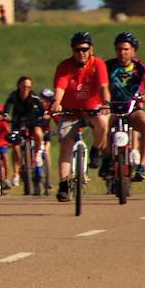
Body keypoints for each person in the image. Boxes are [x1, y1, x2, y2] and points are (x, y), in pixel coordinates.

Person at [50, 31, 111, 203]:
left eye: (84, 49)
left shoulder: (98, 64)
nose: (81, 53)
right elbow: (60, 88)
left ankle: (96, 150)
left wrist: (106, 102)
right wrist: (56, 102)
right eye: (77, 50)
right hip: (70, 110)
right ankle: (63, 184)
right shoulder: (64, 66)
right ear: (73, 50)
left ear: (91, 49)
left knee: (102, 123)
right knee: (66, 145)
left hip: (92, 108)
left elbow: (103, 86)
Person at [107, 31, 145, 182]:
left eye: (126, 49)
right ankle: (107, 158)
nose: (122, 53)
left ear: (133, 50)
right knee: (101, 125)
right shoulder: (108, 66)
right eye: (119, 49)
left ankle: (142, 165)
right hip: (111, 108)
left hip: (132, 108)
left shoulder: (139, 67)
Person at [3, 76, 46, 188]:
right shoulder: (14, 96)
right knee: (16, 147)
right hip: (17, 122)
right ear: (19, 86)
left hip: (32, 121)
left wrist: (44, 115)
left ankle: (36, 154)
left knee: (38, 133)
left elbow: (41, 108)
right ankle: (16, 174)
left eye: (28, 86)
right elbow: (7, 106)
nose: (26, 88)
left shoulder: (33, 96)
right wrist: (6, 114)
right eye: (23, 86)